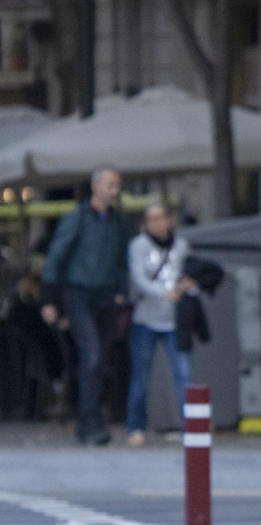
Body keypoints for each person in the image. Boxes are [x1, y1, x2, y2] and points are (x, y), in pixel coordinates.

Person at [40, 167, 130, 445]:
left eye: (117, 185)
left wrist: (121, 292)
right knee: (90, 355)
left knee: (101, 360)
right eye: (110, 185)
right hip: (78, 296)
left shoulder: (118, 222)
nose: (114, 190)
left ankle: (89, 422)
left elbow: (122, 261)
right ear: (95, 186)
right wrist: (49, 300)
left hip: (106, 298)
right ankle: (90, 421)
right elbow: (55, 258)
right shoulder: (77, 218)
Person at [124, 202, 195, 446]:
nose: (156, 223)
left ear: (168, 220)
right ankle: (135, 426)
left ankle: (191, 428)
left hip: (174, 320)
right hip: (146, 319)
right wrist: (164, 292)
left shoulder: (181, 245)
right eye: (151, 219)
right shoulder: (138, 246)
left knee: (183, 374)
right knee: (140, 377)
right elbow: (138, 278)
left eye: (160, 218)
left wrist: (186, 286)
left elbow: (188, 273)